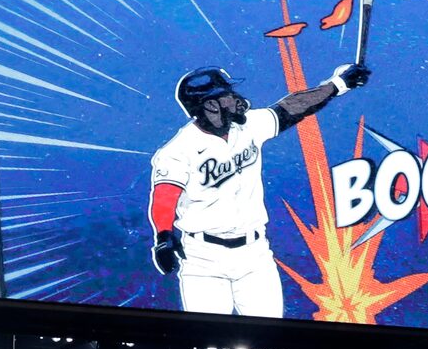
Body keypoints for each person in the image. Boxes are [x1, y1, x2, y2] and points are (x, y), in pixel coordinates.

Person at [147, 54, 369, 318]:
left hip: (254, 254)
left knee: (269, 336)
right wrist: (163, 236)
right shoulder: (178, 150)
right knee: (206, 338)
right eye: (227, 94)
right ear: (210, 106)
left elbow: (293, 107)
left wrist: (338, 84)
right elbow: (164, 197)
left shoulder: (248, 126)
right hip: (202, 259)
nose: (236, 99)